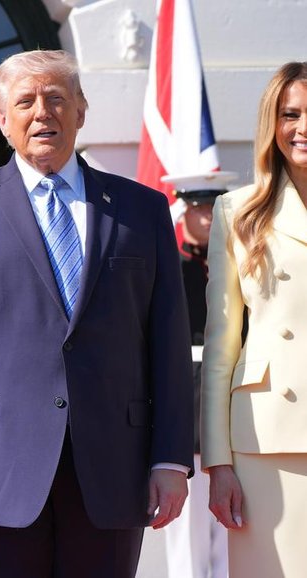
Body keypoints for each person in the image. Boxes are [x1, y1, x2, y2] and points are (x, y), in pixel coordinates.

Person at [0, 49, 194, 577]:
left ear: (81, 111)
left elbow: (169, 342)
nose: (43, 113)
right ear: (1, 119)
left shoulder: (142, 209)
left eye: (57, 98)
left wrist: (171, 458)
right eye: (26, 102)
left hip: (114, 466)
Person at [202, 61, 307, 578]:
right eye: (291, 114)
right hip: (266, 441)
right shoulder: (237, 211)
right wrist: (218, 462)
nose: (303, 127)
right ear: (272, 123)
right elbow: (221, 346)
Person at [161, 171, 237, 578]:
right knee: (188, 531)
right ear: (182, 212)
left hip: (234, 408)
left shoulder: (242, 264)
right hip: (187, 405)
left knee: (233, 530)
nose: (207, 217)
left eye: (213, 208)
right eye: (198, 208)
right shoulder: (169, 268)